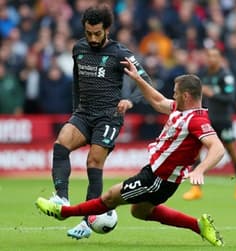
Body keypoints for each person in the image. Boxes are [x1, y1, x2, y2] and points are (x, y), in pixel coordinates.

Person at [36, 59, 225, 247]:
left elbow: (218, 148)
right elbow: (158, 101)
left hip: (158, 179)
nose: (172, 96)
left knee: (110, 196)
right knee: (139, 211)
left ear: (186, 96)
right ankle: (199, 226)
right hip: (156, 173)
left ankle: (62, 211)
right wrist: (137, 78)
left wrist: (200, 170)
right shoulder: (180, 109)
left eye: (175, 93)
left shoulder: (197, 120)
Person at [48, 4, 153, 240]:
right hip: (84, 113)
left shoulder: (121, 53)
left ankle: (87, 222)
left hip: (109, 116)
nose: (93, 38)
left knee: (93, 162)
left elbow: (145, 79)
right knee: (61, 145)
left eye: (97, 33)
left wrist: (131, 100)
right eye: (89, 33)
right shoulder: (79, 48)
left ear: (107, 29)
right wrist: (76, 110)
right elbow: (77, 82)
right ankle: (62, 198)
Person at [182, 47, 236, 201]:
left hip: (223, 120)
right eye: (209, 56)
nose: (211, 59)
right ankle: (196, 188)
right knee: (195, 151)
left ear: (219, 59)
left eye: (214, 56)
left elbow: (230, 98)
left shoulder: (226, 76)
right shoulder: (203, 75)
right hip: (207, 119)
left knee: (231, 151)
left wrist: (213, 93)